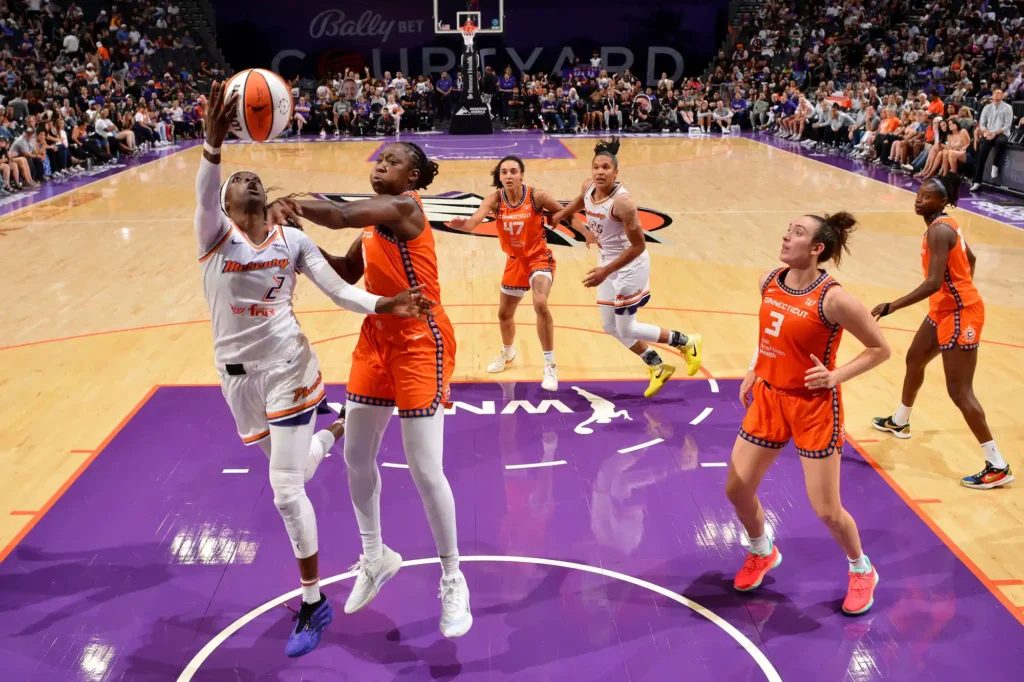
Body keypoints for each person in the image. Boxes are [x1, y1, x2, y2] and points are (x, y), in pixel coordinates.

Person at [195, 82, 431, 657]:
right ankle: (335, 430)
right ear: (227, 204)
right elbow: (203, 193)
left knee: (281, 492)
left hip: (288, 365)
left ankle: (311, 600)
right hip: (237, 379)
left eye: (254, 177)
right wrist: (212, 146)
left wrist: (386, 304)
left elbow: (340, 292)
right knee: (294, 477)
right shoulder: (214, 235)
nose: (246, 179)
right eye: (235, 180)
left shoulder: (292, 239)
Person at [266, 142, 474, 639]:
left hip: (421, 341)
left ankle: (453, 576)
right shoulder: (373, 224)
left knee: (425, 469)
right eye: (379, 160)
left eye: (394, 161)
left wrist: (291, 202)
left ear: (415, 177)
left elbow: (337, 212)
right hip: (377, 338)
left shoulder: (404, 209)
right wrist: (297, 244)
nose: (382, 165)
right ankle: (375, 555)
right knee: (356, 456)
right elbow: (345, 271)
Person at [729, 211, 889, 615]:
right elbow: (771, 330)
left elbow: (880, 349)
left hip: (813, 406)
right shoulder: (769, 280)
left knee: (826, 510)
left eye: (797, 233)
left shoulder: (834, 299)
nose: (786, 236)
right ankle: (761, 550)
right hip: (769, 397)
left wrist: (836, 376)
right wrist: (754, 367)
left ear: (817, 249)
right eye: (788, 228)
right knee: (736, 488)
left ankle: (861, 569)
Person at [871, 175, 1013, 490]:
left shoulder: (939, 231)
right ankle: (901, 420)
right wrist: (960, 287)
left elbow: (934, 282)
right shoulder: (947, 224)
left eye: (926, 196)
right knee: (914, 359)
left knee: (959, 391)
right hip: (944, 309)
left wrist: (892, 306)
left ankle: (998, 464)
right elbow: (971, 259)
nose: (918, 199)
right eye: (918, 194)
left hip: (961, 314)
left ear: (942, 201)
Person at [549, 139, 703, 398]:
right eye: (596, 167)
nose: (600, 171)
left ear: (616, 172)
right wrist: (562, 217)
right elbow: (580, 203)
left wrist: (605, 271)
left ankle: (686, 342)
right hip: (607, 263)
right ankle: (657, 365)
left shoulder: (623, 204)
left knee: (627, 327)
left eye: (606, 167)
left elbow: (639, 246)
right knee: (610, 326)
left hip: (630, 265)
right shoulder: (589, 187)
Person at [448, 155, 565, 389]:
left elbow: (565, 212)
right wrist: (464, 224)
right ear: (500, 177)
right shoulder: (494, 199)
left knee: (540, 304)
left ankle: (550, 365)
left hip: (538, 258)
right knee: (504, 315)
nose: (509, 176)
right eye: (504, 172)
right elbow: (475, 222)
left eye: (513, 171)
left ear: (522, 174)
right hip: (514, 261)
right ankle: (508, 353)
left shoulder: (536, 196)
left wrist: (587, 232)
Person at [970, 89, 1014, 191]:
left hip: (1001, 133)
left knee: (1000, 142)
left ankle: (995, 164)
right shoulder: (987, 107)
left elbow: (1007, 125)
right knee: (982, 155)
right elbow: (982, 123)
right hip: (989, 133)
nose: (996, 94)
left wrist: (995, 133)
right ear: (992, 96)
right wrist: (986, 132)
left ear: (1002, 96)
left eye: (999, 93)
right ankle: (977, 182)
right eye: (994, 93)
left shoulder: (1008, 108)